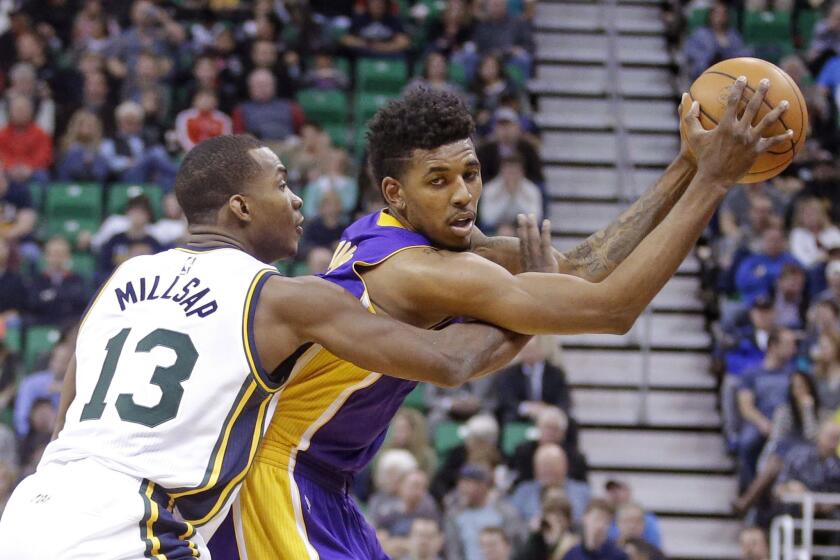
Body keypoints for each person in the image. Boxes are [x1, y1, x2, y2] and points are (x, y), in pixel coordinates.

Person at [223, 80, 793, 558]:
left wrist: (687, 165)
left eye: (470, 173)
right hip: (279, 475)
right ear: (396, 192)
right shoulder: (414, 268)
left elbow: (581, 271)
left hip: (326, 484)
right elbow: (613, 309)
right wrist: (714, 183)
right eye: (439, 181)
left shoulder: (404, 229)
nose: (463, 195)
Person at [0, 134, 528, 558]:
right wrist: (525, 305)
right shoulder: (277, 297)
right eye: (281, 184)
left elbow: (66, 415)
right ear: (241, 207)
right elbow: (450, 361)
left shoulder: (126, 275)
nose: (296, 198)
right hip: (132, 525)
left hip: (34, 510)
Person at [737, 327, 799, 489]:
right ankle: (749, 489)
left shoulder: (794, 374)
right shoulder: (752, 374)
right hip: (761, 421)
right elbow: (746, 406)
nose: (794, 349)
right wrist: (762, 423)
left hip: (788, 424)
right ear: (772, 346)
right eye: (788, 344)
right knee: (747, 442)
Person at [443, 464, 525, 560]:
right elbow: (452, 551)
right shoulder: (453, 516)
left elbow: (518, 544)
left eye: (469, 483)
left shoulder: (504, 512)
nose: (463, 488)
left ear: (483, 486)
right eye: (461, 483)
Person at [496, 336, 571, 424]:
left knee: (563, 420)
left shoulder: (555, 373)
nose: (528, 354)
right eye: (526, 350)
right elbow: (506, 399)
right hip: (519, 416)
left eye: (531, 349)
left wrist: (547, 410)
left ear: (541, 350)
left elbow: (563, 399)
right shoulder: (509, 373)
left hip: (548, 414)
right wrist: (527, 408)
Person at [28, 236, 88, 325]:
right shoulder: (37, 280)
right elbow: (33, 303)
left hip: (69, 326)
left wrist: (52, 295)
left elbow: (80, 301)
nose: (57, 259)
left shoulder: (77, 280)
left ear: (68, 256)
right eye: (54, 254)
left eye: (61, 254)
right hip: (43, 324)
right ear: (46, 256)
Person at [682, 2, 751, 80]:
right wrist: (710, 56)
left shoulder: (733, 34)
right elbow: (689, 52)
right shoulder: (700, 34)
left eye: (723, 14)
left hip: (730, 73)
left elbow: (744, 52)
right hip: (707, 73)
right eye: (717, 14)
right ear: (710, 16)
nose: (720, 18)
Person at [513, 487, 579, 560]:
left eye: (559, 520)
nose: (554, 523)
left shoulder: (574, 543)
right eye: (550, 517)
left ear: (568, 521)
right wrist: (534, 537)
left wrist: (555, 543)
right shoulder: (538, 540)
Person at [562, 499, 628, 560]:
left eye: (606, 521)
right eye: (597, 518)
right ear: (585, 518)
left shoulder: (618, 555)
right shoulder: (572, 554)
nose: (600, 525)